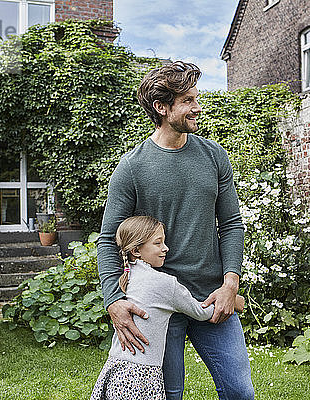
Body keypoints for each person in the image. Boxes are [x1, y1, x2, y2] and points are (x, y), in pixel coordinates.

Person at [97, 61, 255, 400]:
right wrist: (113, 299)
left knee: (240, 392)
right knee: (168, 395)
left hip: (212, 297)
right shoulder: (132, 168)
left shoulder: (214, 155)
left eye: (196, 98)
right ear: (162, 107)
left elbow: (231, 224)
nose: (197, 107)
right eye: (187, 100)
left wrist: (231, 283)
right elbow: (108, 240)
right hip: (158, 305)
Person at [91, 215, 245, 400]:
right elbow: (201, 312)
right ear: (136, 250)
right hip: (142, 379)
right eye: (158, 243)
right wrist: (235, 301)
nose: (166, 248)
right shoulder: (165, 284)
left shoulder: (127, 275)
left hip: (116, 372)